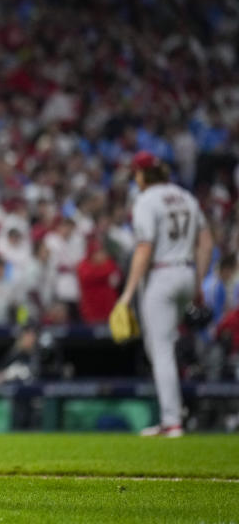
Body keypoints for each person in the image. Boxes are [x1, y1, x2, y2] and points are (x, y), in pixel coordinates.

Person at [115, 151, 213, 437]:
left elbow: (144, 248)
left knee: (160, 350)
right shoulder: (185, 197)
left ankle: (172, 420)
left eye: (136, 173)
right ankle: (175, 414)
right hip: (186, 271)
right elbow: (205, 243)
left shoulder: (146, 200)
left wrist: (127, 292)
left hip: (161, 274)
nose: (135, 178)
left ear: (143, 175)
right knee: (164, 345)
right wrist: (197, 282)